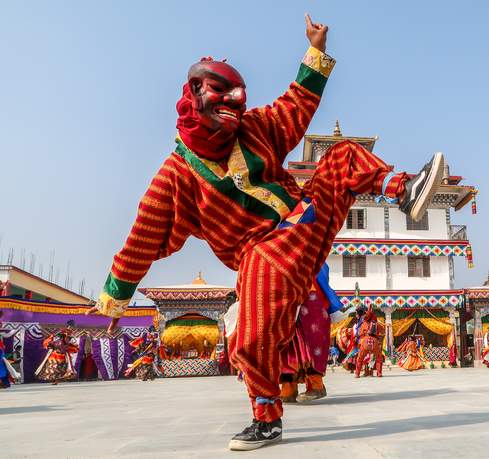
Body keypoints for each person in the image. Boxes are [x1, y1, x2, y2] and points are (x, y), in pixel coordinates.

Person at [84, 14, 446, 452]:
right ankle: (266, 416)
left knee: (343, 154)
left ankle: (402, 188)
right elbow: (139, 240)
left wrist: (315, 50)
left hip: (307, 221)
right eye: (223, 93)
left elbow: (296, 103)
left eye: (239, 95)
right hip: (261, 253)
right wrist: (114, 300)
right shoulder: (174, 178)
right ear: (195, 94)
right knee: (254, 335)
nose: (236, 101)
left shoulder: (255, 127)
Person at [279, 266, 344, 404]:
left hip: (310, 297)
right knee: (287, 345)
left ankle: (316, 384)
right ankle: (289, 386)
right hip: (284, 295)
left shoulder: (310, 251)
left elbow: (321, 268)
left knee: (312, 342)